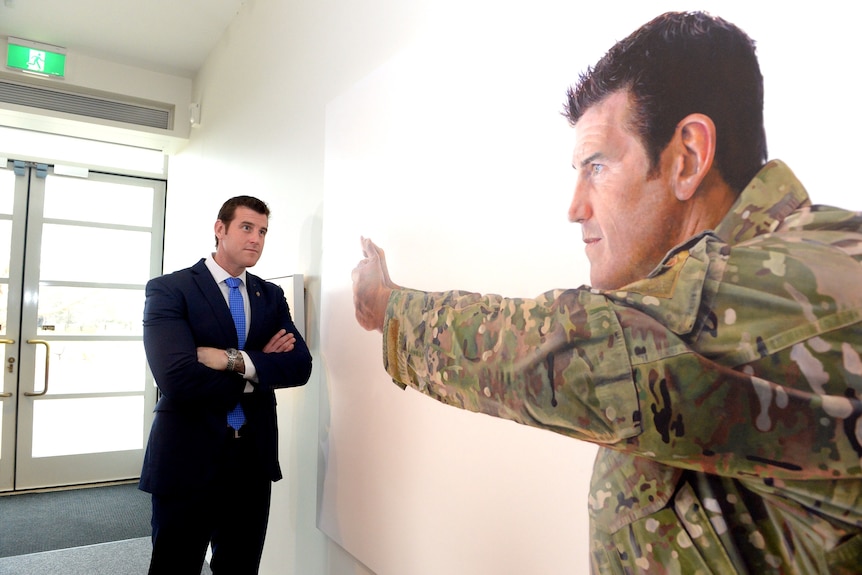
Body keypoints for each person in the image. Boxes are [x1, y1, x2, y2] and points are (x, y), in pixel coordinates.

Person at [352, 11, 862, 574]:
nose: (574, 208)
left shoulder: (806, 282)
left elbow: (565, 349)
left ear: (687, 157)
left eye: (596, 165)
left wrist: (391, 309)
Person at [140, 195, 312, 575]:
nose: (256, 239)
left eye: (263, 231)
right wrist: (258, 369)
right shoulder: (171, 290)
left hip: (251, 460)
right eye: (247, 228)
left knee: (240, 567)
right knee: (174, 566)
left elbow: (300, 366)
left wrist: (228, 359)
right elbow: (177, 378)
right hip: (187, 457)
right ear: (220, 229)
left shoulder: (269, 296)